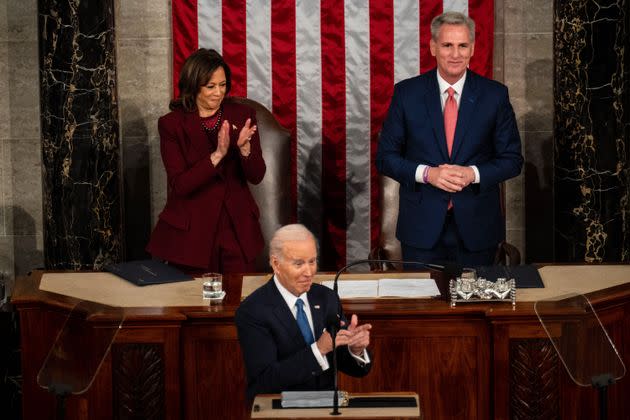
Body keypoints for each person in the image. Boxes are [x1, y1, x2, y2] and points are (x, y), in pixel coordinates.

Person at [376, 12, 523, 267]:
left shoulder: (494, 96)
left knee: (476, 307)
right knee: (423, 306)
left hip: (478, 230)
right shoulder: (407, 94)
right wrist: (427, 174)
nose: (455, 54)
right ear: (433, 47)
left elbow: (512, 160)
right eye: (447, 45)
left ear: (473, 48)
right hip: (421, 231)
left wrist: (472, 174)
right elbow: (386, 158)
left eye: (462, 45)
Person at [146, 48, 266, 274]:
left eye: (222, 85)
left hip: (236, 229)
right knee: (193, 303)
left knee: (239, 303)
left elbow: (257, 176)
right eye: (210, 86)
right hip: (191, 235)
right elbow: (180, 185)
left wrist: (245, 148)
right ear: (193, 86)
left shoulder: (242, 115)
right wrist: (218, 155)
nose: (218, 93)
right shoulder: (171, 125)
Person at [235, 224, 372, 400]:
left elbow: (346, 364)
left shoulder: (327, 298)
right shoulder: (253, 311)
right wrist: (319, 349)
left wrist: (355, 349)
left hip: (327, 408)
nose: (309, 272)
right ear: (276, 264)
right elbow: (264, 381)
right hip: (280, 410)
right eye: (298, 263)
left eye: (312, 261)